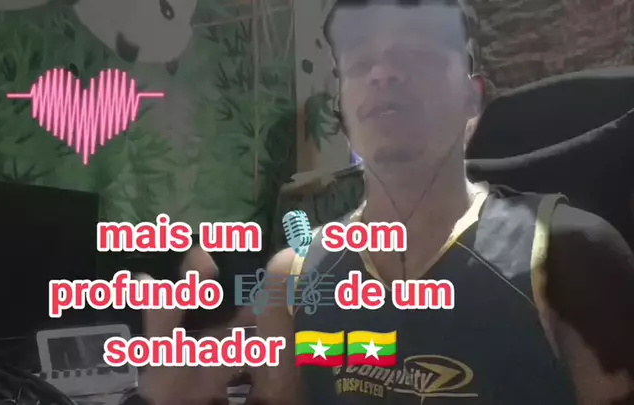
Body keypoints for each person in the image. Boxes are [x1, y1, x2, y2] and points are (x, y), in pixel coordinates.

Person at [138, 1, 634, 404]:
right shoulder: (291, 277)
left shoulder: (571, 256)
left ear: (473, 98)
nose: (382, 73)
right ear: (343, 111)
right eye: (358, 64)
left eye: (417, 54)